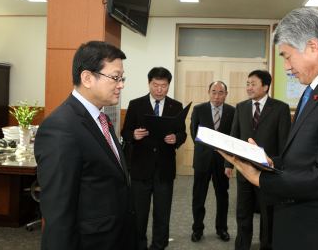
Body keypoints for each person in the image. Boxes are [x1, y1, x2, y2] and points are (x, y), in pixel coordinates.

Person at [220, 8, 318, 250]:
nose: (285, 67)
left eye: (287, 56)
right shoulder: (315, 89)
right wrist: (271, 164)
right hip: (301, 225)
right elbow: (307, 155)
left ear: (313, 47)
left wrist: (262, 179)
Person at [34, 41, 136, 250]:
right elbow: (58, 213)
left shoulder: (100, 118)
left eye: (122, 78)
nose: (121, 85)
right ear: (87, 78)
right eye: (115, 78)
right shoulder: (60, 127)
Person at [224, 70, 291, 250]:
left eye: (253, 84)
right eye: (248, 84)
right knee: (242, 213)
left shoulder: (280, 108)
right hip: (244, 170)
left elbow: (284, 143)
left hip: (267, 172)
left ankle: (266, 246)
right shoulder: (241, 107)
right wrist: (229, 164)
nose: (249, 87)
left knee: (267, 214)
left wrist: (280, 168)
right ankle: (242, 246)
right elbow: (234, 136)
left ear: (265, 86)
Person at [122, 67, 187, 250]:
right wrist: (134, 134)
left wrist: (176, 139)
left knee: (162, 214)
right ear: (149, 83)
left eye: (164, 86)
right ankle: (139, 245)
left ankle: (159, 246)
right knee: (139, 214)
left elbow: (182, 133)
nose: (159, 90)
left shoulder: (176, 106)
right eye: (156, 85)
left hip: (164, 169)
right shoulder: (136, 104)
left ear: (169, 86)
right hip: (141, 169)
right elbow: (125, 132)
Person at [190, 81, 236, 243]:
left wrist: (228, 161)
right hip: (203, 159)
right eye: (214, 92)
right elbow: (194, 132)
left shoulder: (232, 111)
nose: (217, 96)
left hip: (223, 161)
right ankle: (197, 229)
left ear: (226, 94)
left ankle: (222, 229)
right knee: (198, 196)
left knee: (222, 196)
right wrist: (206, 148)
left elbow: (233, 136)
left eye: (220, 93)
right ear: (208, 92)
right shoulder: (199, 109)